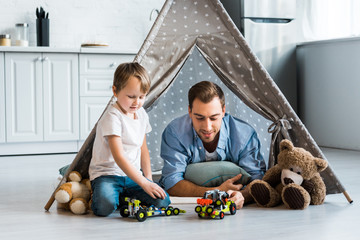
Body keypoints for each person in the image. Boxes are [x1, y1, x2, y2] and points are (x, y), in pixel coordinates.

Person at [159, 81, 266, 209]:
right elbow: (172, 182)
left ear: (223, 111)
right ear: (189, 111)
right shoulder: (175, 132)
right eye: (199, 118)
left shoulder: (244, 134)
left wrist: (242, 195)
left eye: (214, 118)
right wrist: (216, 191)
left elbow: (258, 179)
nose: (207, 127)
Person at [89, 62, 170, 217]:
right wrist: (144, 183)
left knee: (163, 201)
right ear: (115, 91)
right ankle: (106, 195)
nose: (137, 102)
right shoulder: (112, 117)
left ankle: (124, 198)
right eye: (131, 97)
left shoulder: (142, 114)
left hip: (133, 176)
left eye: (141, 97)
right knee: (104, 207)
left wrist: (148, 179)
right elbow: (119, 157)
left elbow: (143, 148)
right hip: (108, 175)